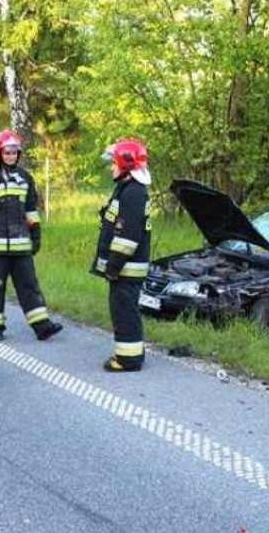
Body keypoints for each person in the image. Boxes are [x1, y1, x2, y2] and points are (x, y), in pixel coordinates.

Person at [0, 129, 63, 342]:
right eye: (7, 152)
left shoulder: (25, 178)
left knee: (29, 286)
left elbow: (31, 210)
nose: (11, 156)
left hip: (21, 246)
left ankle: (42, 326)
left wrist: (35, 236)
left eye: (14, 152)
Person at [91, 139, 152, 372]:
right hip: (126, 267)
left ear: (126, 165)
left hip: (126, 268)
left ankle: (128, 360)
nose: (111, 167)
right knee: (125, 309)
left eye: (114, 163)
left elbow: (128, 237)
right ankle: (132, 353)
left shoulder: (133, 193)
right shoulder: (128, 189)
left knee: (124, 311)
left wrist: (113, 266)